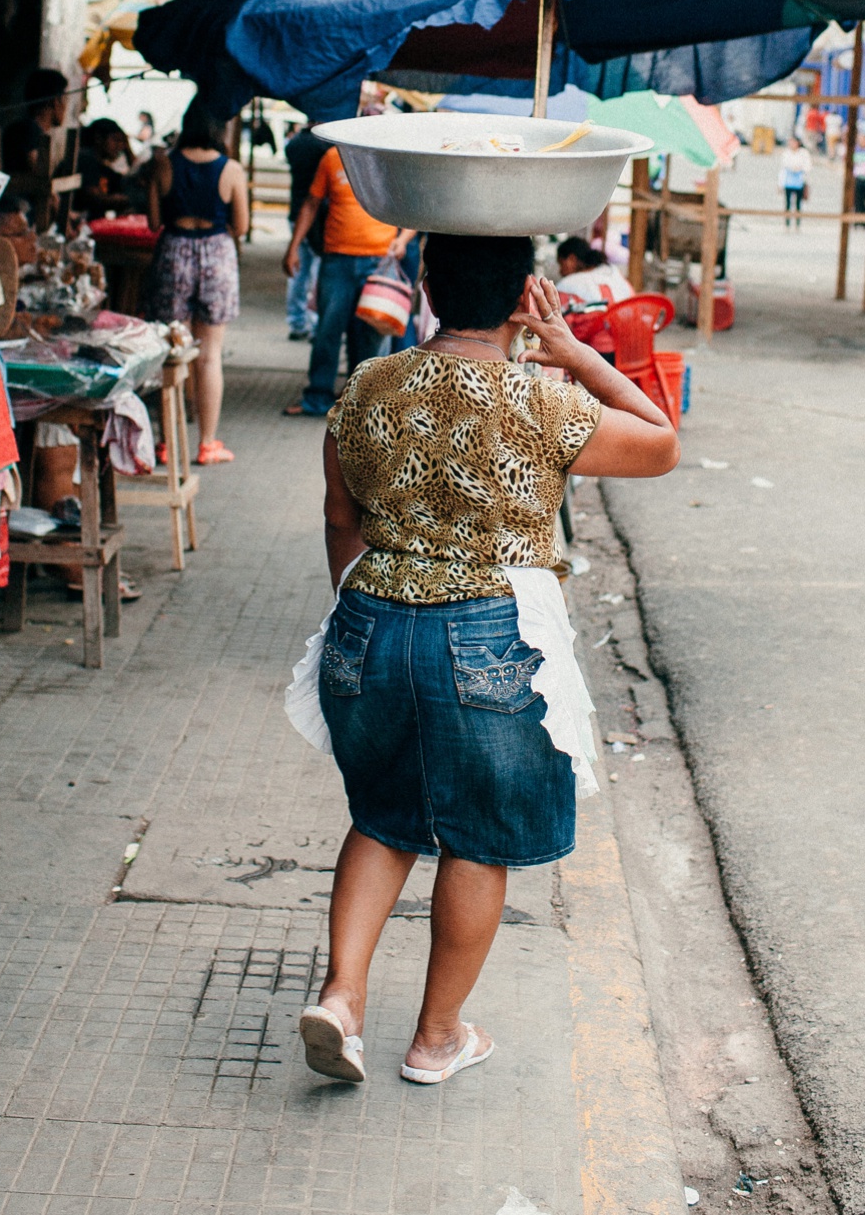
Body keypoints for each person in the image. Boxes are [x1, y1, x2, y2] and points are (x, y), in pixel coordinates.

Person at [297, 243, 677, 1087]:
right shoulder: (542, 399)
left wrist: (362, 614)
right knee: (476, 838)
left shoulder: (365, 386)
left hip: (370, 620)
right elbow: (660, 442)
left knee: (382, 817)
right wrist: (574, 350)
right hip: (486, 635)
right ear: (523, 300)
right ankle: (437, 1036)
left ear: (426, 288)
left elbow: (338, 516)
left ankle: (341, 998)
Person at [143, 105, 246, 465]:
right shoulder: (231, 169)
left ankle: (168, 444)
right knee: (210, 355)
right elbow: (242, 226)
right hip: (217, 253)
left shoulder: (164, 163)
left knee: (170, 353)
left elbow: (153, 221)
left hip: (174, 251)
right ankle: (207, 443)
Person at [283, 143, 410, 418]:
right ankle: (317, 398)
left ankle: (364, 404)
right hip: (337, 261)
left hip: (379, 263)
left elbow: (411, 205)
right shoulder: (332, 157)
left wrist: (402, 240)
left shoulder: (389, 157)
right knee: (328, 330)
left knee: (371, 335)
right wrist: (293, 247)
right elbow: (311, 203)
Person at [0, 67, 72, 223]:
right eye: (65, 99)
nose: (66, 107)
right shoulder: (28, 130)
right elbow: (40, 173)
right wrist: (66, 221)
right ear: (55, 101)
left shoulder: (24, 129)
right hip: (22, 213)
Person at [282, 121, 326, 341]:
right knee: (318, 272)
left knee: (298, 273)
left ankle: (297, 321)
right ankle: (316, 323)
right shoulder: (325, 147)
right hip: (318, 217)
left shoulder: (294, 144)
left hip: (295, 212)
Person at [73, 119, 138, 217]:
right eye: (115, 140)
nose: (120, 146)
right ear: (99, 138)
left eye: (122, 142)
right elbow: (95, 198)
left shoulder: (103, 168)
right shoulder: (86, 158)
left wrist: (128, 151)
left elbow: (135, 180)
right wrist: (129, 199)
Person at [553, 237, 633, 310]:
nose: (560, 271)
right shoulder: (614, 272)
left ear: (572, 259)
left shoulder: (566, 285)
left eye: (561, 264)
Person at [779, 139, 811, 229]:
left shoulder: (803, 153)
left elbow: (808, 166)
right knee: (788, 202)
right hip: (788, 180)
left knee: (798, 203)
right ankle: (787, 221)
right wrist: (780, 183)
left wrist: (800, 168)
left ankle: (797, 222)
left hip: (799, 180)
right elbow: (783, 167)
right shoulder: (786, 153)